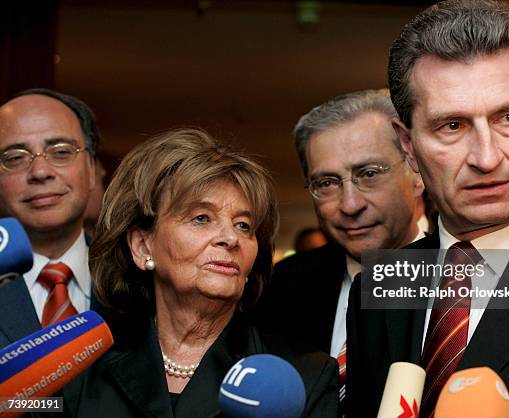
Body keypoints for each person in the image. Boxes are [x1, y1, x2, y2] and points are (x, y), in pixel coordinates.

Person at [346, 1, 509, 417]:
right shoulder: (380, 285)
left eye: (508, 118)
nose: (487, 158)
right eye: (452, 126)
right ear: (407, 145)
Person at [71, 128, 338, 417]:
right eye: (202, 219)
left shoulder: (304, 374)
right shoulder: (82, 366)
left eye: (243, 225)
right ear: (142, 246)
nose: (230, 238)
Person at [254, 89, 427, 410]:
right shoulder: (284, 284)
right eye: (327, 183)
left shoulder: (463, 280)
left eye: (369, 174)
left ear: (417, 173)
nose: (349, 204)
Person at [0, 88, 101, 345]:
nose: (40, 171)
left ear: (91, 169)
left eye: (61, 152)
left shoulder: (140, 284)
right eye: (14, 158)